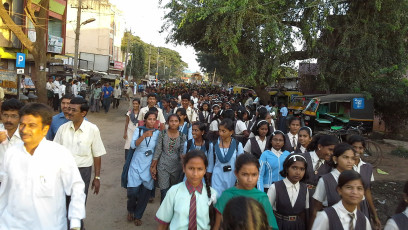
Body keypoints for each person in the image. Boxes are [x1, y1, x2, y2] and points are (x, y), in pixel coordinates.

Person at [0, 103, 86, 230]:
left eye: (32, 125)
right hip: (12, 225)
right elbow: (5, 192)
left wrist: (75, 223)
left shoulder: (59, 154)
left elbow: (76, 188)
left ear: (45, 129)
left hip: (49, 225)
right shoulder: (11, 154)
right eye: (22, 125)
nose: (24, 130)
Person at [53, 97, 106, 201]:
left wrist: (97, 178)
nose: (69, 112)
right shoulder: (62, 129)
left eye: (74, 110)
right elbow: (55, 152)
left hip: (82, 172)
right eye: (69, 109)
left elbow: (97, 154)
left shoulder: (92, 129)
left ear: (83, 113)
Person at [214, 154, 278, 230]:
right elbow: (217, 226)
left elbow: (270, 226)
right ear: (236, 174)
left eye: (254, 175)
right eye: (245, 174)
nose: (250, 179)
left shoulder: (262, 197)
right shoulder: (227, 195)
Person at [155, 150, 216, 230]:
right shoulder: (173, 192)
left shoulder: (213, 194)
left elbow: (215, 224)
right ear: (184, 168)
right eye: (191, 168)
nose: (195, 174)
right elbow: (163, 225)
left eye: (200, 169)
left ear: (205, 170)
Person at [127, 111, 160, 226]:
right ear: (145, 120)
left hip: (149, 165)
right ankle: (130, 209)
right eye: (149, 119)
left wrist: (154, 166)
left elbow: (157, 150)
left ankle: (138, 215)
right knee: (132, 192)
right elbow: (133, 145)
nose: (151, 121)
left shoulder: (158, 133)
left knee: (145, 194)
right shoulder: (139, 130)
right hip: (136, 163)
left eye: (154, 119)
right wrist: (144, 136)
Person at [311, 143, 356, 225]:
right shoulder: (325, 180)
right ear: (335, 159)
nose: (350, 161)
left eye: (352, 158)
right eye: (345, 157)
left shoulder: (355, 179)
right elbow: (317, 208)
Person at [267, 153, 309, 230]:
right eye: (294, 168)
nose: (298, 172)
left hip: (298, 226)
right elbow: (267, 212)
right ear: (286, 168)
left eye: (302, 169)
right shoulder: (275, 187)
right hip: (279, 225)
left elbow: (305, 212)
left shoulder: (305, 188)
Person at [150, 114, 187, 203]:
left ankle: (171, 213)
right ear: (168, 122)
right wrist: (153, 166)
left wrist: (184, 168)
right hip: (163, 166)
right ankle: (163, 214)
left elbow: (182, 153)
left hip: (176, 167)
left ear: (179, 123)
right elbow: (158, 150)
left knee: (173, 191)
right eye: (171, 121)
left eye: (176, 121)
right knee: (164, 191)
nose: (173, 123)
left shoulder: (182, 136)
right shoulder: (162, 134)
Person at [347, 135, 381, 228]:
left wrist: (375, 215)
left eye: (360, 148)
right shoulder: (345, 166)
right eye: (354, 147)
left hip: (363, 205)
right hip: (348, 205)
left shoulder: (367, 167)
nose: (357, 150)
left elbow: (367, 191)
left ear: (364, 149)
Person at [208, 118, 244, 197]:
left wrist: (240, 180)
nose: (220, 133)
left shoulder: (238, 145)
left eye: (224, 131)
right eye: (219, 130)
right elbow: (210, 165)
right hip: (217, 177)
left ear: (231, 132)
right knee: (216, 200)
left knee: (230, 201)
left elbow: (241, 165)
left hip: (232, 178)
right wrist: (208, 181)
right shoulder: (213, 145)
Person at [303, 134, 338, 208]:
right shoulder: (302, 158)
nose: (332, 153)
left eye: (334, 151)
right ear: (319, 146)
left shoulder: (330, 165)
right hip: (301, 198)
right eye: (330, 149)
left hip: (317, 202)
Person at [0, 98, 24, 168]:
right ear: (1, 114)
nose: (8, 120)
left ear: (21, 117)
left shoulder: (27, 135)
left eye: (14, 116)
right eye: (5, 115)